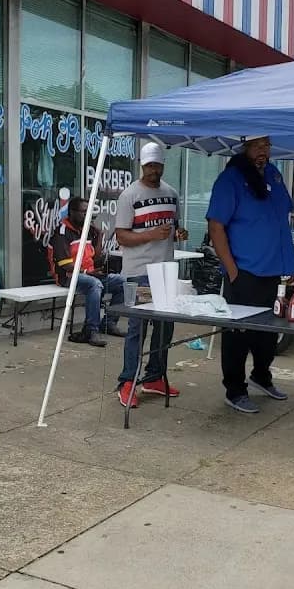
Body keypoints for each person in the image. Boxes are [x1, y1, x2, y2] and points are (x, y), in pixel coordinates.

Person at [206, 136, 294, 414]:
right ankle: (235, 390)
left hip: (273, 270)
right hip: (244, 272)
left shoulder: (273, 174)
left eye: (268, 145)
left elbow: (281, 218)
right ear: (244, 147)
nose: (264, 151)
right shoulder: (230, 179)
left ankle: (261, 375)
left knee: (268, 334)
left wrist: (289, 266)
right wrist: (232, 270)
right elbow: (216, 227)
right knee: (237, 336)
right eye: (258, 146)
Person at [115, 142, 188, 409]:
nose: (153, 171)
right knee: (137, 328)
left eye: (157, 166)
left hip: (166, 270)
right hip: (138, 273)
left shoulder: (171, 193)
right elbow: (121, 235)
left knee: (165, 327)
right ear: (141, 165)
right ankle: (127, 382)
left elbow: (175, 226)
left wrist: (179, 234)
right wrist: (150, 235)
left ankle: (155, 376)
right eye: (149, 166)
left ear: (162, 166)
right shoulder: (129, 195)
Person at [50, 196, 125, 348]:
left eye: (89, 212)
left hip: (89, 274)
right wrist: (86, 272)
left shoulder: (87, 230)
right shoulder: (62, 232)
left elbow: (95, 258)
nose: (87, 215)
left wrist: (100, 237)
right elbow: (65, 264)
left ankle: (109, 323)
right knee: (94, 284)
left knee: (122, 281)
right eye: (83, 212)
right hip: (68, 277)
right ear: (72, 212)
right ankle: (91, 330)